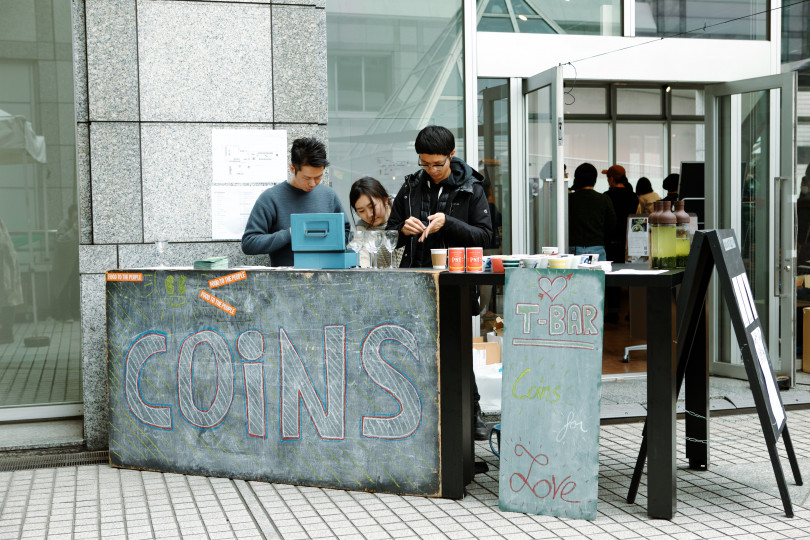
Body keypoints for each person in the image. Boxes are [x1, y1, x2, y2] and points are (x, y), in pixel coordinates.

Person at [386, 125, 492, 443]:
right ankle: (419, 417)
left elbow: (486, 236)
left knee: (457, 350)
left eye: (437, 164)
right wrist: (403, 229)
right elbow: (389, 234)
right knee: (416, 350)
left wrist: (451, 223)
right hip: (417, 281)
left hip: (456, 283)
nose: (431, 171)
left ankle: (472, 414)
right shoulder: (411, 187)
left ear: (452, 155)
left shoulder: (472, 188)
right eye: (425, 164)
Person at [242, 138, 350, 266]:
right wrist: (289, 234)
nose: (313, 183)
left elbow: (346, 231)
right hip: (287, 280)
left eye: (318, 177)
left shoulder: (329, 195)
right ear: (292, 168)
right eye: (307, 177)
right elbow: (249, 243)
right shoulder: (270, 198)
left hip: (327, 277)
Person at [603, 164, 638, 324]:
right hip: (630, 241)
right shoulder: (633, 196)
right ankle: (632, 312)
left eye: (607, 177)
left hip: (611, 240)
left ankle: (613, 312)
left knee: (611, 277)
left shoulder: (606, 196)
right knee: (631, 277)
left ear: (612, 178)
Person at [568, 163, 615, 263]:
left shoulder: (569, 199)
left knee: (576, 278)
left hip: (575, 249)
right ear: (595, 180)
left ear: (577, 179)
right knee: (599, 278)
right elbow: (612, 224)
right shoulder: (604, 199)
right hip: (597, 247)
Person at [349, 176, 398, 267]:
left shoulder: (402, 214)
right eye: (361, 211)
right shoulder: (361, 229)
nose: (369, 215)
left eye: (372, 206)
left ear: (386, 200)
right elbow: (363, 259)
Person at [0, 218, 23, 344]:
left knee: (7, 300)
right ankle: (6, 332)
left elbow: (3, 245)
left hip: (5, 267)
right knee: (7, 300)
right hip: (6, 265)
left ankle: (7, 332)